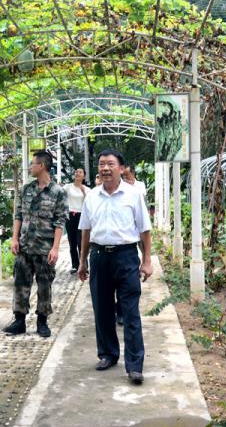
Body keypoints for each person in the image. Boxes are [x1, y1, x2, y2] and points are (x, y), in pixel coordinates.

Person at [77, 149, 153, 385]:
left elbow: (144, 230)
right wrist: (82, 261)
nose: (105, 168)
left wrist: (147, 260)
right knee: (102, 310)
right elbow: (86, 231)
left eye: (110, 164)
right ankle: (108, 354)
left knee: (130, 312)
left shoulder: (133, 195)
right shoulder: (91, 197)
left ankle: (134, 365)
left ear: (121, 168)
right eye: (101, 164)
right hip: (99, 257)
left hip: (126, 256)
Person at [3, 151, 68, 337]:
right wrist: (15, 238)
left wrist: (55, 248)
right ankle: (19, 321)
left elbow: (59, 222)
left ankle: (42, 322)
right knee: (20, 284)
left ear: (41, 166)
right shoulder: (26, 189)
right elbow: (19, 215)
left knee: (44, 286)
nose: (30, 167)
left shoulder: (58, 192)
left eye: (32, 164)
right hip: (25, 246)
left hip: (45, 248)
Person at [117, 164, 148, 326]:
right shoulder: (117, 188)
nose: (126, 178)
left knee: (130, 277)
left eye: (128, 175)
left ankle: (144, 262)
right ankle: (119, 310)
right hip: (124, 234)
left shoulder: (139, 187)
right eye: (124, 176)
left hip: (137, 231)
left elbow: (141, 202)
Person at [63, 169, 90, 273]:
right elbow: (60, 194)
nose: (77, 174)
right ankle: (75, 265)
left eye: (80, 172)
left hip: (82, 216)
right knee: (72, 242)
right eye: (76, 172)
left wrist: (83, 191)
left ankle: (84, 265)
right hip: (70, 216)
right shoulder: (68, 187)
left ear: (84, 176)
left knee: (81, 242)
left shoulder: (87, 189)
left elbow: (89, 202)